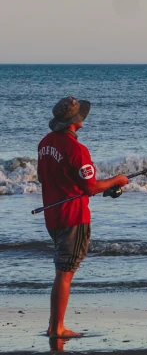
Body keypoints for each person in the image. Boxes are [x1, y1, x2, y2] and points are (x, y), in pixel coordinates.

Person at [38, 97, 129, 338]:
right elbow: (89, 187)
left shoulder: (45, 143)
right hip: (73, 217)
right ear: (75, 122)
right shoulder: (77, 149)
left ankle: (53, 324)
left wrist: (96, 187)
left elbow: (50, 178)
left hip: (52, 215)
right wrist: (117, 180)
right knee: (65, 272)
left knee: (62, 269)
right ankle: (57, 327)